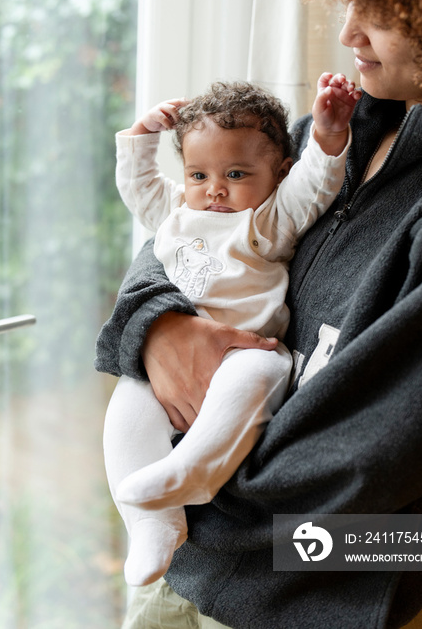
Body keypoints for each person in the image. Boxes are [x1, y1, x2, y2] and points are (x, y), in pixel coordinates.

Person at [95, 0, 422, 626]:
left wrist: (205, 500)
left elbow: (373, 469)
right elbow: (183, 237)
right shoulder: (323, 135)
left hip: (305, 601)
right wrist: (159, 327)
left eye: (384, 6)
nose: (347, 27)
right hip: (185, 563)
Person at [103, 75, 361, 587]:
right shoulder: (179, 214)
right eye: (198, 173)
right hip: (166, 356)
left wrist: (330, 136)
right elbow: (139, 188)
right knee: (127, 406)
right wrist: (141, 137)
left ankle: (196, 469)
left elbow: (314, 186)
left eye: (236, 172)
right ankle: (152, 523)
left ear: (277, 174)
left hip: (249, 349)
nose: (214, 188)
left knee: (259, 372)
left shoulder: (266, 222)